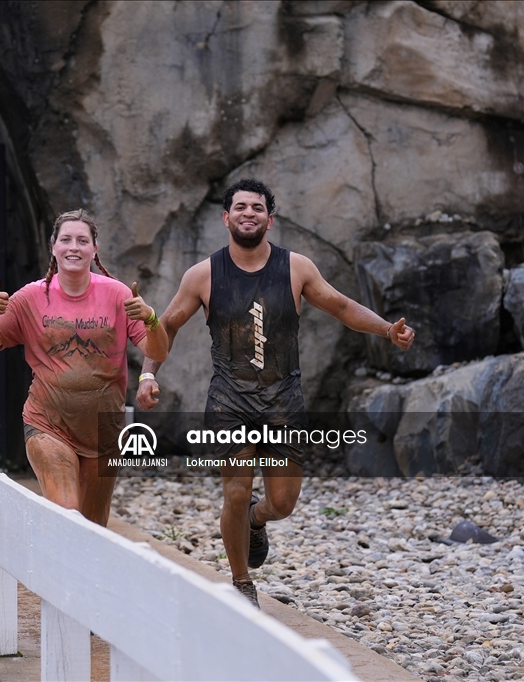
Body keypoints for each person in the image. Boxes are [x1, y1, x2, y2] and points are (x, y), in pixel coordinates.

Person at [136, 178, 415, 607]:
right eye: (241, 207)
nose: (249, 213)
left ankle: (256, 520)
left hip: (284, 402)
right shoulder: (203, 275)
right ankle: (242, 582)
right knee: (235, 490)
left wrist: (386, 329)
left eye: (258, 208)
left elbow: (341, 306)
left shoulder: (297, 268)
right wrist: (148, 375)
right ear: (226, 217)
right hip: (230, 402)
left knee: (282, 502)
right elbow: (166, 327)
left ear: (270, 219)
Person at [0, 209, 169, 526]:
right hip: (48, 422)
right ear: (53, 247)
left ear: (94, 249)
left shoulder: (118, 294)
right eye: (66, 240)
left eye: (82, 240)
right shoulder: (29, 298)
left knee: (93, 526)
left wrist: (151, 318)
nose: (74, 247)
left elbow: (156, 349)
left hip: (105, 430)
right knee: (68, 516)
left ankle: (73, 575)